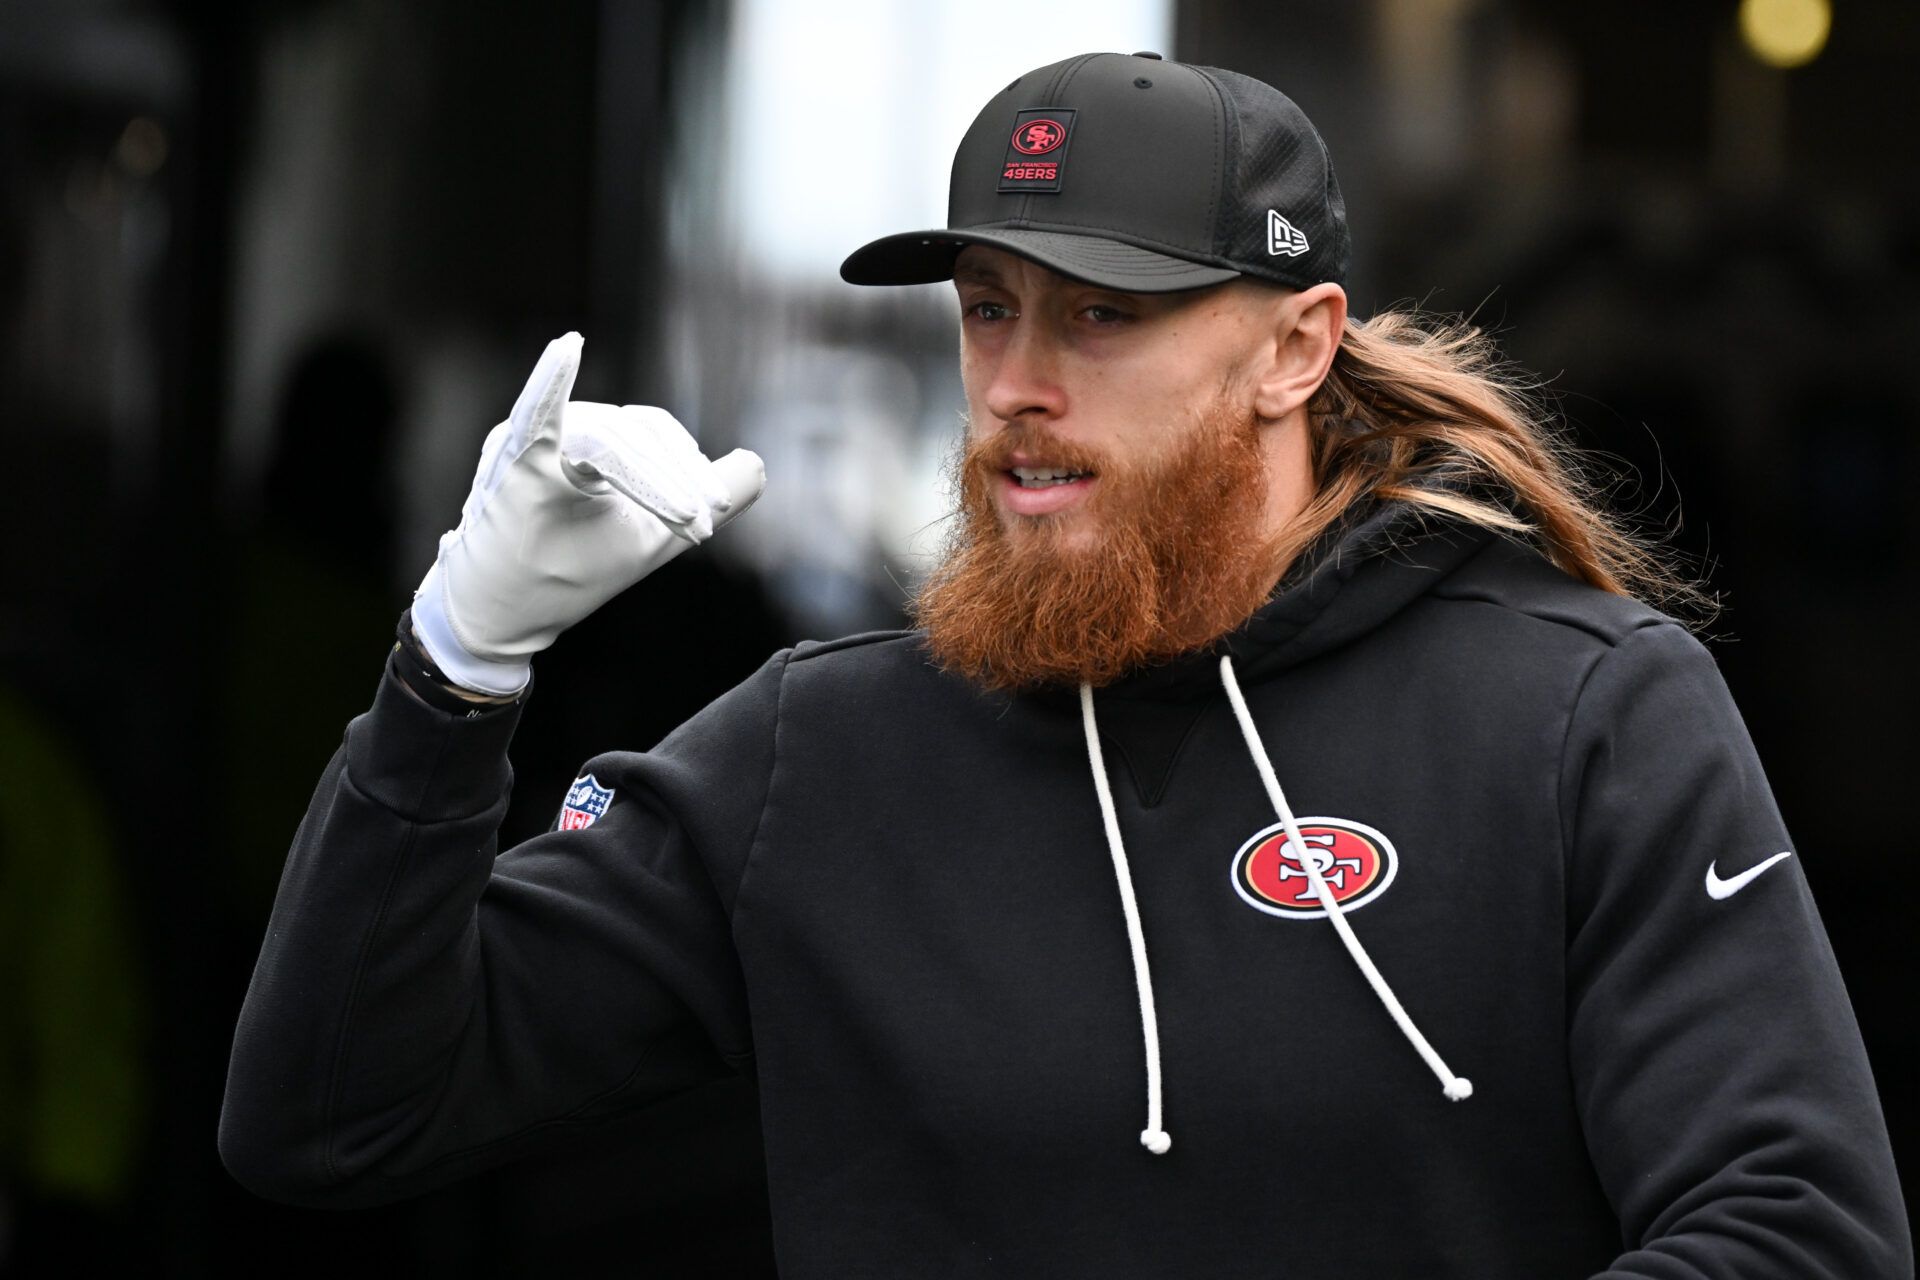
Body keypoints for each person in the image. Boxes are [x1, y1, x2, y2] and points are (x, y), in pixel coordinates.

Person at [219, 52, 1911, 1277]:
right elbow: (331, 1120)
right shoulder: (825, 753)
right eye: (985, 306)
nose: (1021, 379)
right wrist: (460, 662)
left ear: (1294, 346)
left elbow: (1799, 1225)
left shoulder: (1579, 713)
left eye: (1103, 314)